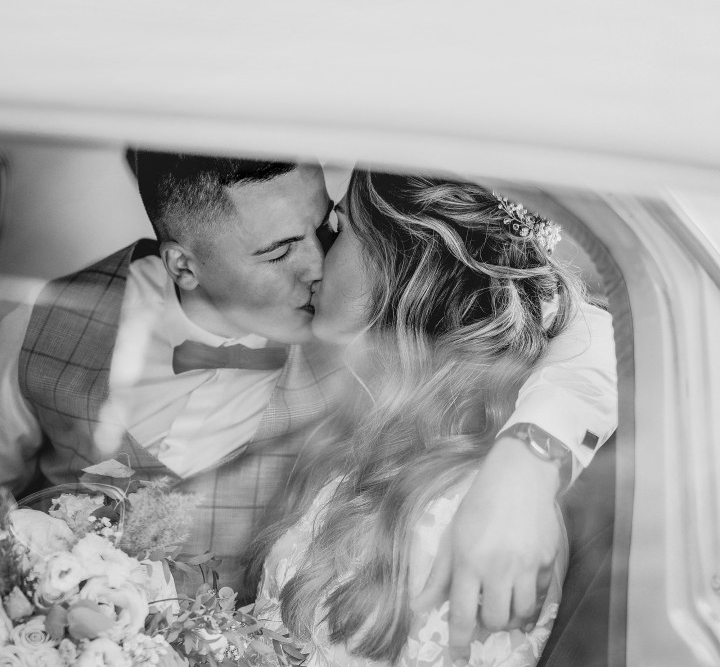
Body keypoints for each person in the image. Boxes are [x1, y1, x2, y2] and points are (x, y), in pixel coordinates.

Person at [126, 170, 588, 667]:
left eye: (339, 230)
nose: (316, 259)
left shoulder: (476, 521)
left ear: (394, 270)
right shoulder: (367, 433)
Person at [0, 151, 616, 632]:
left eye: (324, 229)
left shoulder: (361, 331)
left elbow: (588, 330)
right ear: (183, 265)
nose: (319, 267)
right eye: (278, 252)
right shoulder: (43, 319)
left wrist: (529, 462)